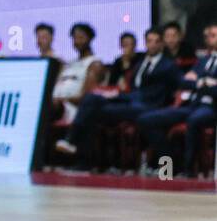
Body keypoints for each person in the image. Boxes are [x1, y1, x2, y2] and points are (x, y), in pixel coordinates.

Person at [55, 27, 180, 170]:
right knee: (91, 99)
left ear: (161, 44)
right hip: (131, 102)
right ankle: (74, 146)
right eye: (149, 41)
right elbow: (133, 89)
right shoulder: (141, 64)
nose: (152, 45)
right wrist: (117, 95)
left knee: (92, 111)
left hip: (148, 106)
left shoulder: (168, 65)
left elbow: (154, 92)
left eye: (156, 41)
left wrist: (120, 96)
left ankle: (75, 146)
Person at [137, 22, 217, 176]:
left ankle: (188, 170)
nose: (208, 39)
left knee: (194, 120)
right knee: (146, 120)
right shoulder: (203, 61)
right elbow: (184, 81)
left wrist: (200, 82)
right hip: (192, 104)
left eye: (213, 36)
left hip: (211, 107)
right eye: (207, 36)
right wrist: (204, 82)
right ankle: (172, 163)